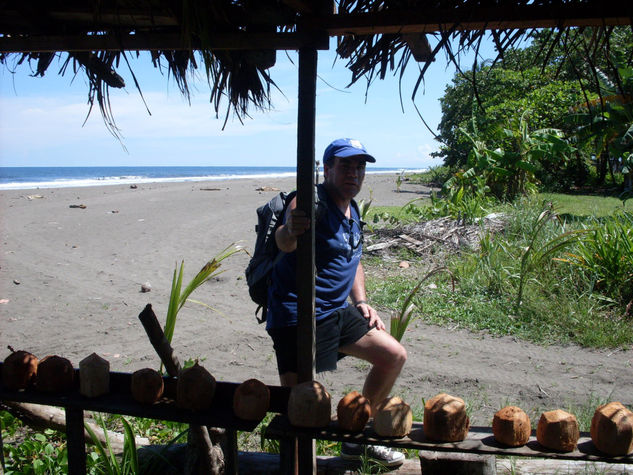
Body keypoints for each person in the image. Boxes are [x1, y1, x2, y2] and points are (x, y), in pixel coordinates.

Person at [266, 138, 408, 466]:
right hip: (295, 317)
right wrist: (290, 229)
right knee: (304, 408)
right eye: (345, 165)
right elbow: (284, 242)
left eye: (360, 167)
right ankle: (301, 467)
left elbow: (353, 257)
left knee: (393, 356)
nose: (354, 173)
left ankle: (356, 441)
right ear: (326, 168)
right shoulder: (310, 200)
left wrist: (361, 301)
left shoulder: (352, 208)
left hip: (336, 312)